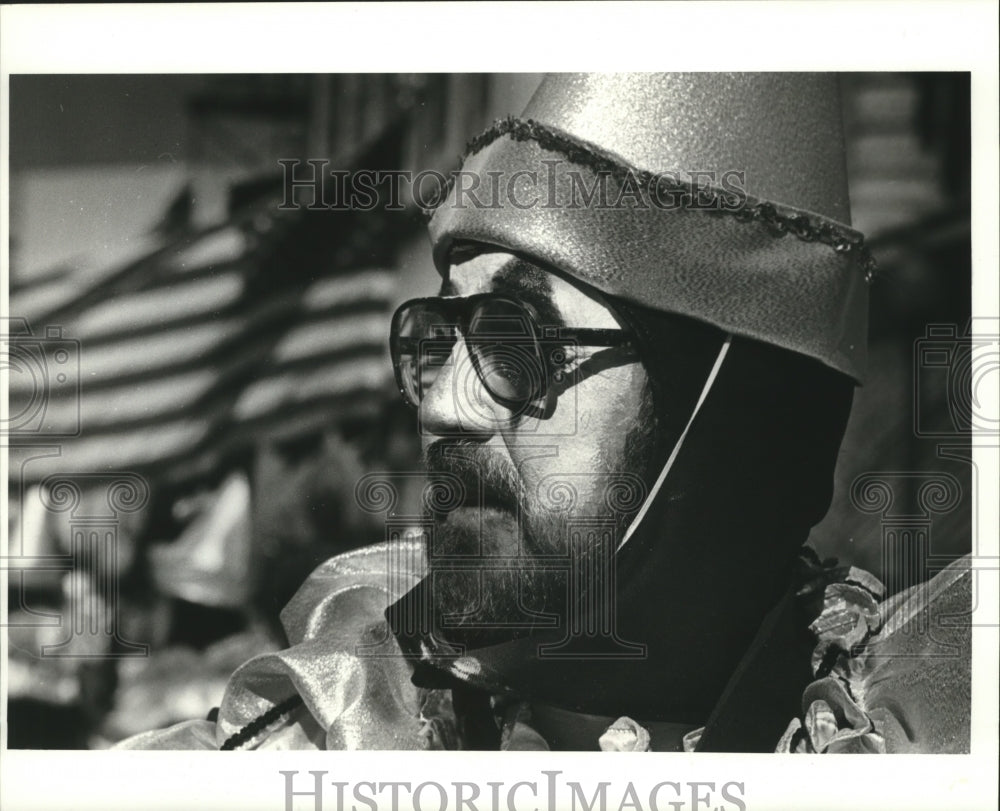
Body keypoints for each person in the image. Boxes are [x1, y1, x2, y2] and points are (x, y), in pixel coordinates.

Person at [119, 73, 970, 753]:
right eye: (440, 335)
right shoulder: (310, 748)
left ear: (725, 419)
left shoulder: (925, 740)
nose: (443, 405)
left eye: (516, 342)